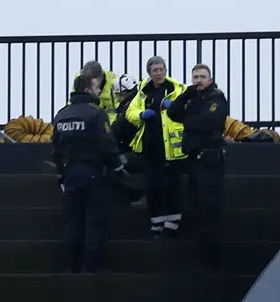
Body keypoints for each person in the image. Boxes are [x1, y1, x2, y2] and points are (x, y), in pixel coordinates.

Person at [51, 70, 126, 272]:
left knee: (72, 222)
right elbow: (107, 144)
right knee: (94, 221)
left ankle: (71, 267)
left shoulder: (61, 115)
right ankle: (91, 268)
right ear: (87, 89)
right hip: (92, 173)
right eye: (96, 87)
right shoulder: (96, 113)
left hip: (70, 174)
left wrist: (61, 175)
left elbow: (56, 149)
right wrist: (117, 166)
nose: (99, 91)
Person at [167, 63, 229, 266]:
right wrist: (185, 95)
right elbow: (172, 113)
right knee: (196, 207)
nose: (199, 81)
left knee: (209, 209)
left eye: (202, 77)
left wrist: (188, 121)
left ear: (210, 79)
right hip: (194, 160)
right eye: (195, 77)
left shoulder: (216, 97)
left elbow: (210, 121)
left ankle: (211, 257)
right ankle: (202, 255)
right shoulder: (192, 98)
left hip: (210, 160)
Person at [124, 54, 187, 237]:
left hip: (171, 149)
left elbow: (189, 109)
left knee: (171, 186)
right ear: (149, 73)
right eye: (155, 70)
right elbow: (130, 112)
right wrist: (141, 114)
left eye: (161, 70)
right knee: (153, 187)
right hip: (150, 147)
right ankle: (157, 223)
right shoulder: (144, 91)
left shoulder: (177, 88)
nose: (159, 73)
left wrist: (174, 106)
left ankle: (172, 223)